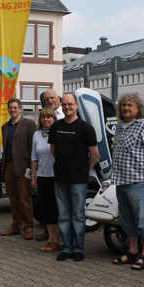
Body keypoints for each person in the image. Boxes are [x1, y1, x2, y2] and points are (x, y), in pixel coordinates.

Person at [110, 93, 144, 271]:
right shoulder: (119, 127)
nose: (126, 108)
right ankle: (132, 251)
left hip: (139, 181)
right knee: (127, 220)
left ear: (138, 108)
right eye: (124, 105)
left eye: (130, 105)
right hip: (121, 180)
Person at [49, 93, 99, 262]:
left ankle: (78, 249)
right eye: (64, 104)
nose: (67, 107)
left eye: (70, 104)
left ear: (76, 105)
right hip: (60, 178)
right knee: (63, 216)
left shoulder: (86, 128)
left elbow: (94, 153)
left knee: (78, 216)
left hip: (78, 179)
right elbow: (53, 150)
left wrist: (84, 170)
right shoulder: (56, 127)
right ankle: (66, 248)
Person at [0, 98, 36, 240]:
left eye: (15, 107)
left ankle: (29, 227)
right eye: (10, 108)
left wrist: (33, 169)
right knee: (13, 200)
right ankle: (16, 227)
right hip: (8, 167)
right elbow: (6, 148)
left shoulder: (29, 125)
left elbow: (33, 148)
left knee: (25, 199)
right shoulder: (5, 127)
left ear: (20, 108)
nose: (12, 110)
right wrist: (1, 164)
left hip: (24, 167)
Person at [31, 107, 61, 252]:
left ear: (54, 119)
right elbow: (34, 157)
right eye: (43, 117)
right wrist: (33, 176)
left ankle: (58, 239)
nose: (46, 120)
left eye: (49, 117)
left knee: (57, 209)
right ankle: (50, 238)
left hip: (57, 176)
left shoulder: (58, 133)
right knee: (46, 209)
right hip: (42, 176)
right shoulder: (36, 135)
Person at [36, 88, 63, 242]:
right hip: (44, 173)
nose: (50, 101)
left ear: (58, 98)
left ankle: (59, 238)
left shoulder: (66, 117)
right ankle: (51, 236)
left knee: (58, 206)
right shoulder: (38, 132)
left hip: (59, 173)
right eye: (47, 99)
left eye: (52, 98)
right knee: (46, 206)